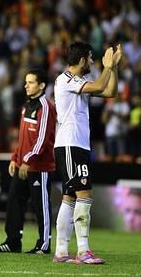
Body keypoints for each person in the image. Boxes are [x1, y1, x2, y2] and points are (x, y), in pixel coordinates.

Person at [52, 42, 121, 264]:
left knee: (70, 196)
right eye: (91, 58)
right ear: (82, 60)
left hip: (75, 144)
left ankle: (61, 251)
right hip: (71, 144)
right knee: (84, 194)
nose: (93, 62)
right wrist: (107, 67)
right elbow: (101, 86)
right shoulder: (66, 80)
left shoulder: (79, 82)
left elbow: (110, 91)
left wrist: (114, 67)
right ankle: (83, 251)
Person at [0, 68, 56, 254]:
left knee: (40, 205)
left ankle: (44, 244)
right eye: (26, 82)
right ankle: (13, 241)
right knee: (14, 201)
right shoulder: (27, 105)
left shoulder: (45, 106)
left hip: (39, 166)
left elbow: (42, 139)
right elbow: (22, 138)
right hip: (23, 165)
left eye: (31, 82)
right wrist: (15, 157)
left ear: (42, 85)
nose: (26, 85)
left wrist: (27, 160)